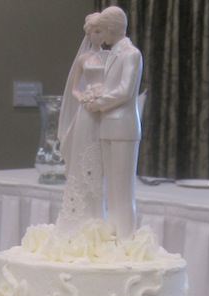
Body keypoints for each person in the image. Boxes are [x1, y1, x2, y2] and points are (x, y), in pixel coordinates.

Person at [83, 6, 142, 241]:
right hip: (108, 125)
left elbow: (125, 91)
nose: (101, 35)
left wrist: (99, 103)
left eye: (102, 30)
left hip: (123, 127)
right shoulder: (112, 54)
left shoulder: (131, 53)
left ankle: (127, 241)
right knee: (112, 190)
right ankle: (115, 235)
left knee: (124, 190)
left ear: (111, 28)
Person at [56, 13, 108, 235]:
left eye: (99, 31)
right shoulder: (83, 59)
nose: (96, 35)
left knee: (100, 160)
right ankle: (78, 216)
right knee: (83, 158)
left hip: (104, 111)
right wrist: (85, 98)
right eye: (92, 32)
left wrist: (104, 98)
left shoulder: (111, 57)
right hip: (87, 113)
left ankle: (98, 214)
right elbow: (74, 88)